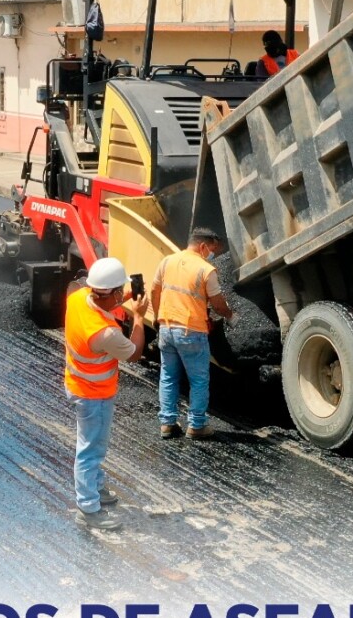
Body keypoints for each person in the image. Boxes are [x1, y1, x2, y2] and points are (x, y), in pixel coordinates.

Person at [65, 257, 148, 531]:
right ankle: (88, 509)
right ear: (110, 293)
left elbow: (102, 298)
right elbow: (134, 353)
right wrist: (138, 316)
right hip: (94, 394)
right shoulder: (106, 333)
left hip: (78, 383)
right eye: (119, 291)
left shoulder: (77, 297)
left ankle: (96, 489)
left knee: (95, 446)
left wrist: (124, 295)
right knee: (90, 450)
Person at [151, 227, 235, 440]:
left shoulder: (167, 261)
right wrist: (231, 316)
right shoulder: (206, 270)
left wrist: (157, 316)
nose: (212, 255)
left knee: (168, 377)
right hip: (191, 332)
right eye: (212, 250)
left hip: (166, 328)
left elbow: (154, 290)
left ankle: (167, 424)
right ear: (203, 246)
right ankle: (196, 425)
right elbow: (217, 304)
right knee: (198, 380)